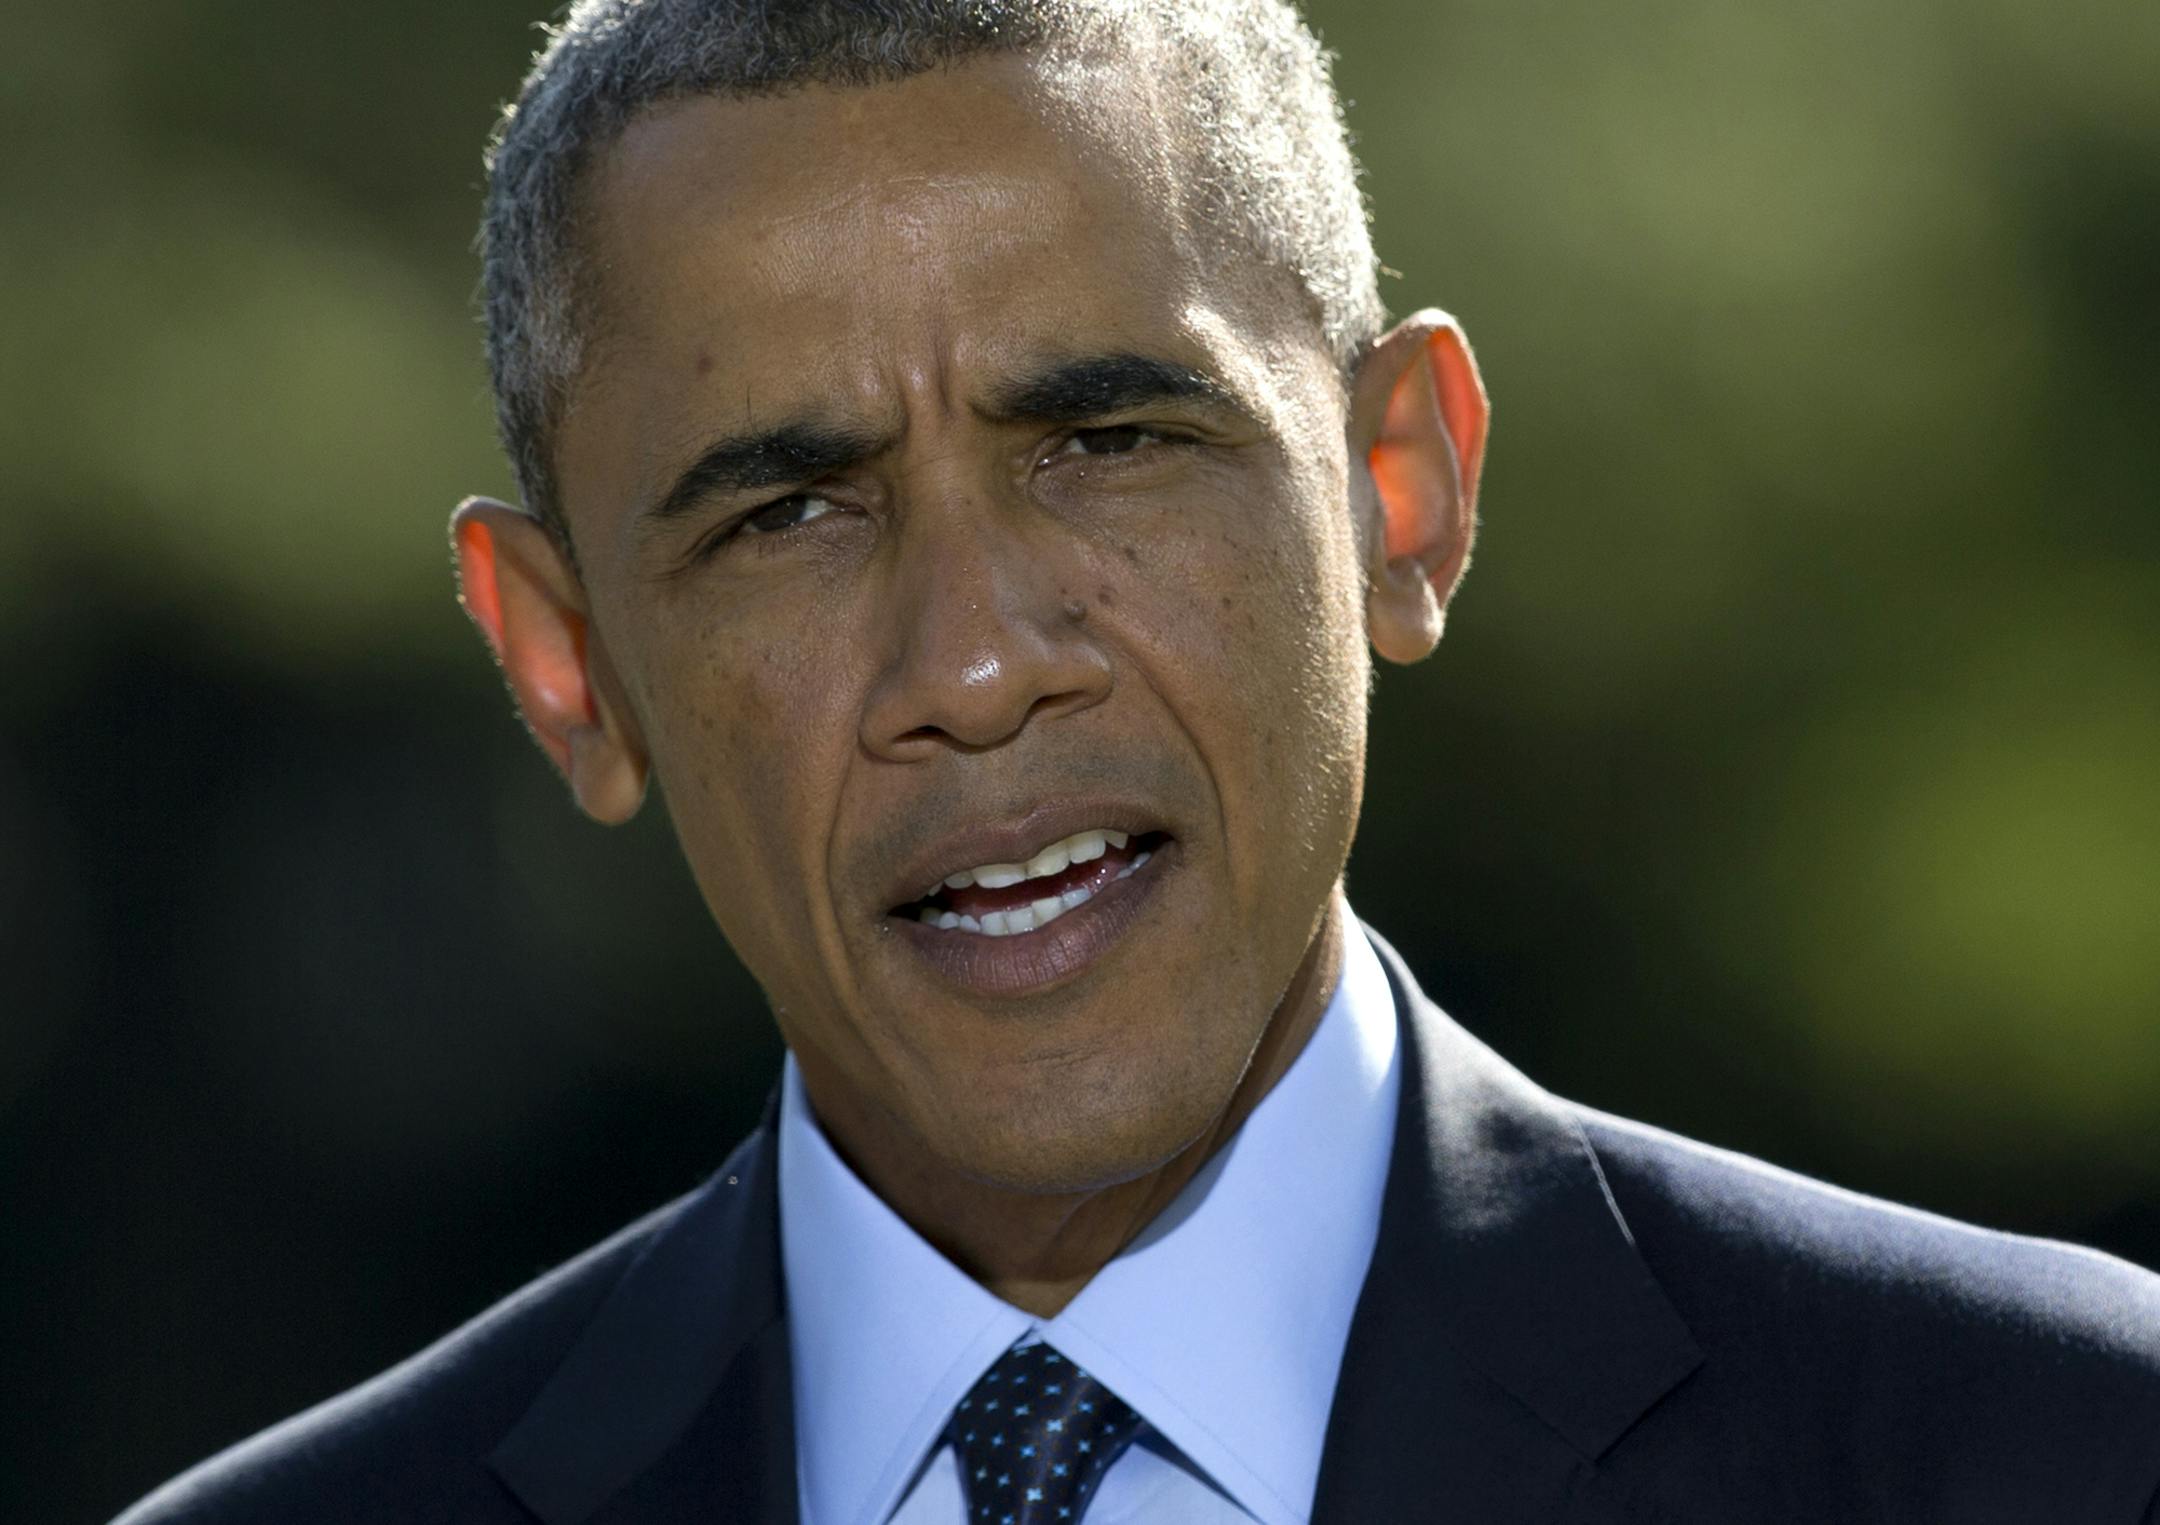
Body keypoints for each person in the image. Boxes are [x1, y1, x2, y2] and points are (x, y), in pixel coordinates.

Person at [117, 2, 2160, 1522]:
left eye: (1108, 443)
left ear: (1400, 491)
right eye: (790, 514)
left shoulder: (2060, 1454)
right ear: (569, 671)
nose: (980, 662)